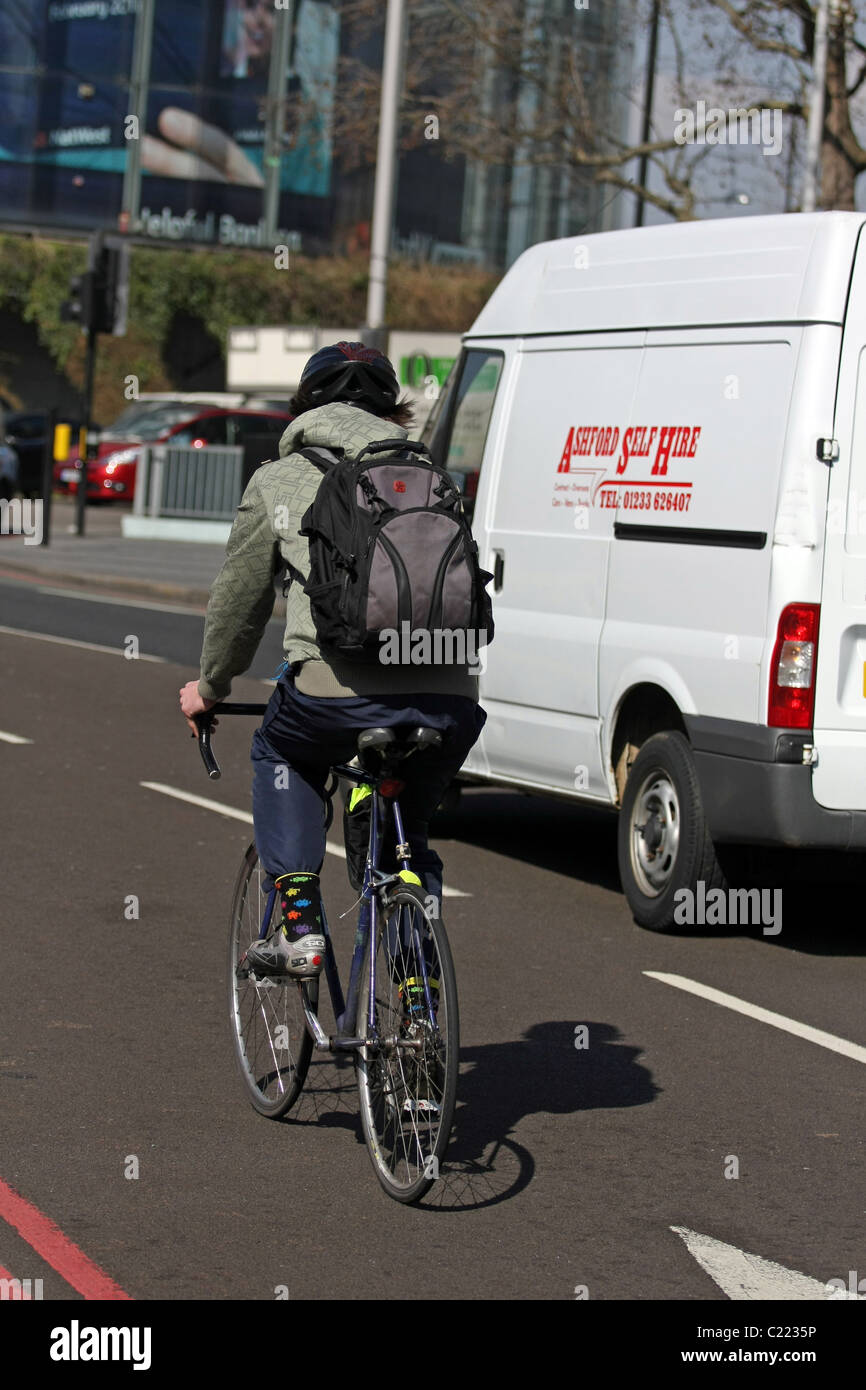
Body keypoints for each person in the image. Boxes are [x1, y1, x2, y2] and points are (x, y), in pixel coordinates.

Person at [179, 343, 486, 977]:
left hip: (333, 692)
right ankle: (414, 936)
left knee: (280, 751)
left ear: (304, 406)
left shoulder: (277, 479)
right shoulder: (433, 477)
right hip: (450, 698)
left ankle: (298, 926)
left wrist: (210, 687)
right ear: (391, 410)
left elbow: (239, 602)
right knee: (405, 825)